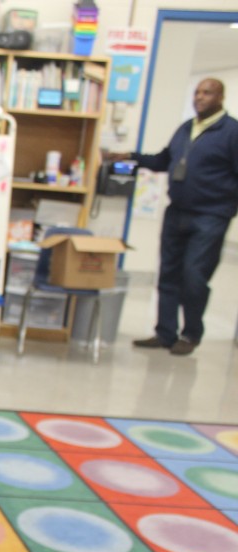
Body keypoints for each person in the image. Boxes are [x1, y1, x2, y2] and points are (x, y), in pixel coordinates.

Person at [126, 78, 238, 356]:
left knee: (194, 275)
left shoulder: (231, 131)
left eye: (207, 93)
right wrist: (131, 156)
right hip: (177, 211)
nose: (200, 97)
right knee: (168, 272)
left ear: (220, 97)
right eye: (197, 92)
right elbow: (165, 160)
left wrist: (227, 206)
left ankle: (190, 333)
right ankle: (165, 333)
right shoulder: (186, 128)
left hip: (211, 215)